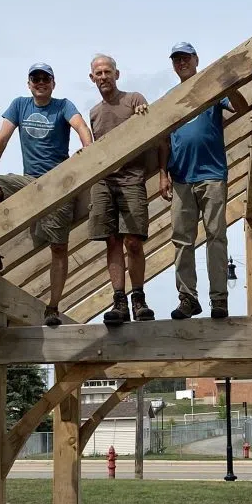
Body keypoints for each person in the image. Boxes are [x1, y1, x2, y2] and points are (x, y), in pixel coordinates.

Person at [0, 63, 93, 326]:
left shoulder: (63, 105)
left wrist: (89, 151)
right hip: (28, 181)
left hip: (58, 182)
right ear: (29, 84)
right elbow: (1, 138)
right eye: (35, 79)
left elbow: (81, 126)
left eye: (45, 79)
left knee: (59, 247)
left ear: (53, 83)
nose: (40, 83)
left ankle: (52, 307)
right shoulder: (20, 105)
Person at [158, 41, 247, 320]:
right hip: (181, 176)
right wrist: (163, 173)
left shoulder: (212, 89)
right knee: (182, 240)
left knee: (215, 237)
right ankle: (188, 298)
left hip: (211, 174)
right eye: (176, 59)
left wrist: (228, 84)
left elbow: (242, 108)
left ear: (196, 59)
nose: (181, 63)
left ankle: (219, 299)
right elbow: (163, 140)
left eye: (185, 58)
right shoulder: (171, 98)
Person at [87, 54, 155, 325]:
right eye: (98, 73)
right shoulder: (94, 113)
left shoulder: (134, 99)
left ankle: (138, 297)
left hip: (132, 179)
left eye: (107, 72)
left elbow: (153, 131)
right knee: (111, 241)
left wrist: (143, 115)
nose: (103, 77)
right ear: (92, 78)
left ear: (117, 74)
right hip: (104, 181)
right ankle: (119, 300)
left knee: (133, 241)